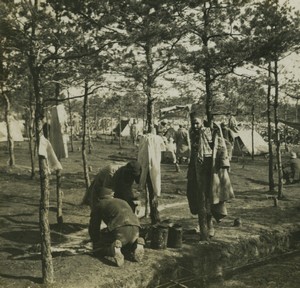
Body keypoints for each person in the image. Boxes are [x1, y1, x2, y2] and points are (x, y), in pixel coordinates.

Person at [187, 116, 234, 240]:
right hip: (195, 170)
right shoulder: (192, 133)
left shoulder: (210, 132)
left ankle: (210, 226)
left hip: (208, 171)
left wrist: (224, 162)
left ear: (202, 122)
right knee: (196, 197)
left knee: (209, 198)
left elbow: (224, 145)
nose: (195, 126)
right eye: (193, 124)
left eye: (197, 123)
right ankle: (202, 224)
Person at [88, 188, 145, 267]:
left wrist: (95, 241)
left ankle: (113, 249)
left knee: (100, 249)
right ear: (112, 195)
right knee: (127, 245)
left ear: (99, 197)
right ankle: (136, 244)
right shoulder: (122, 201)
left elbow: (94, 226)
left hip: (120, 230)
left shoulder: (100, 204)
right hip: (136, 229)